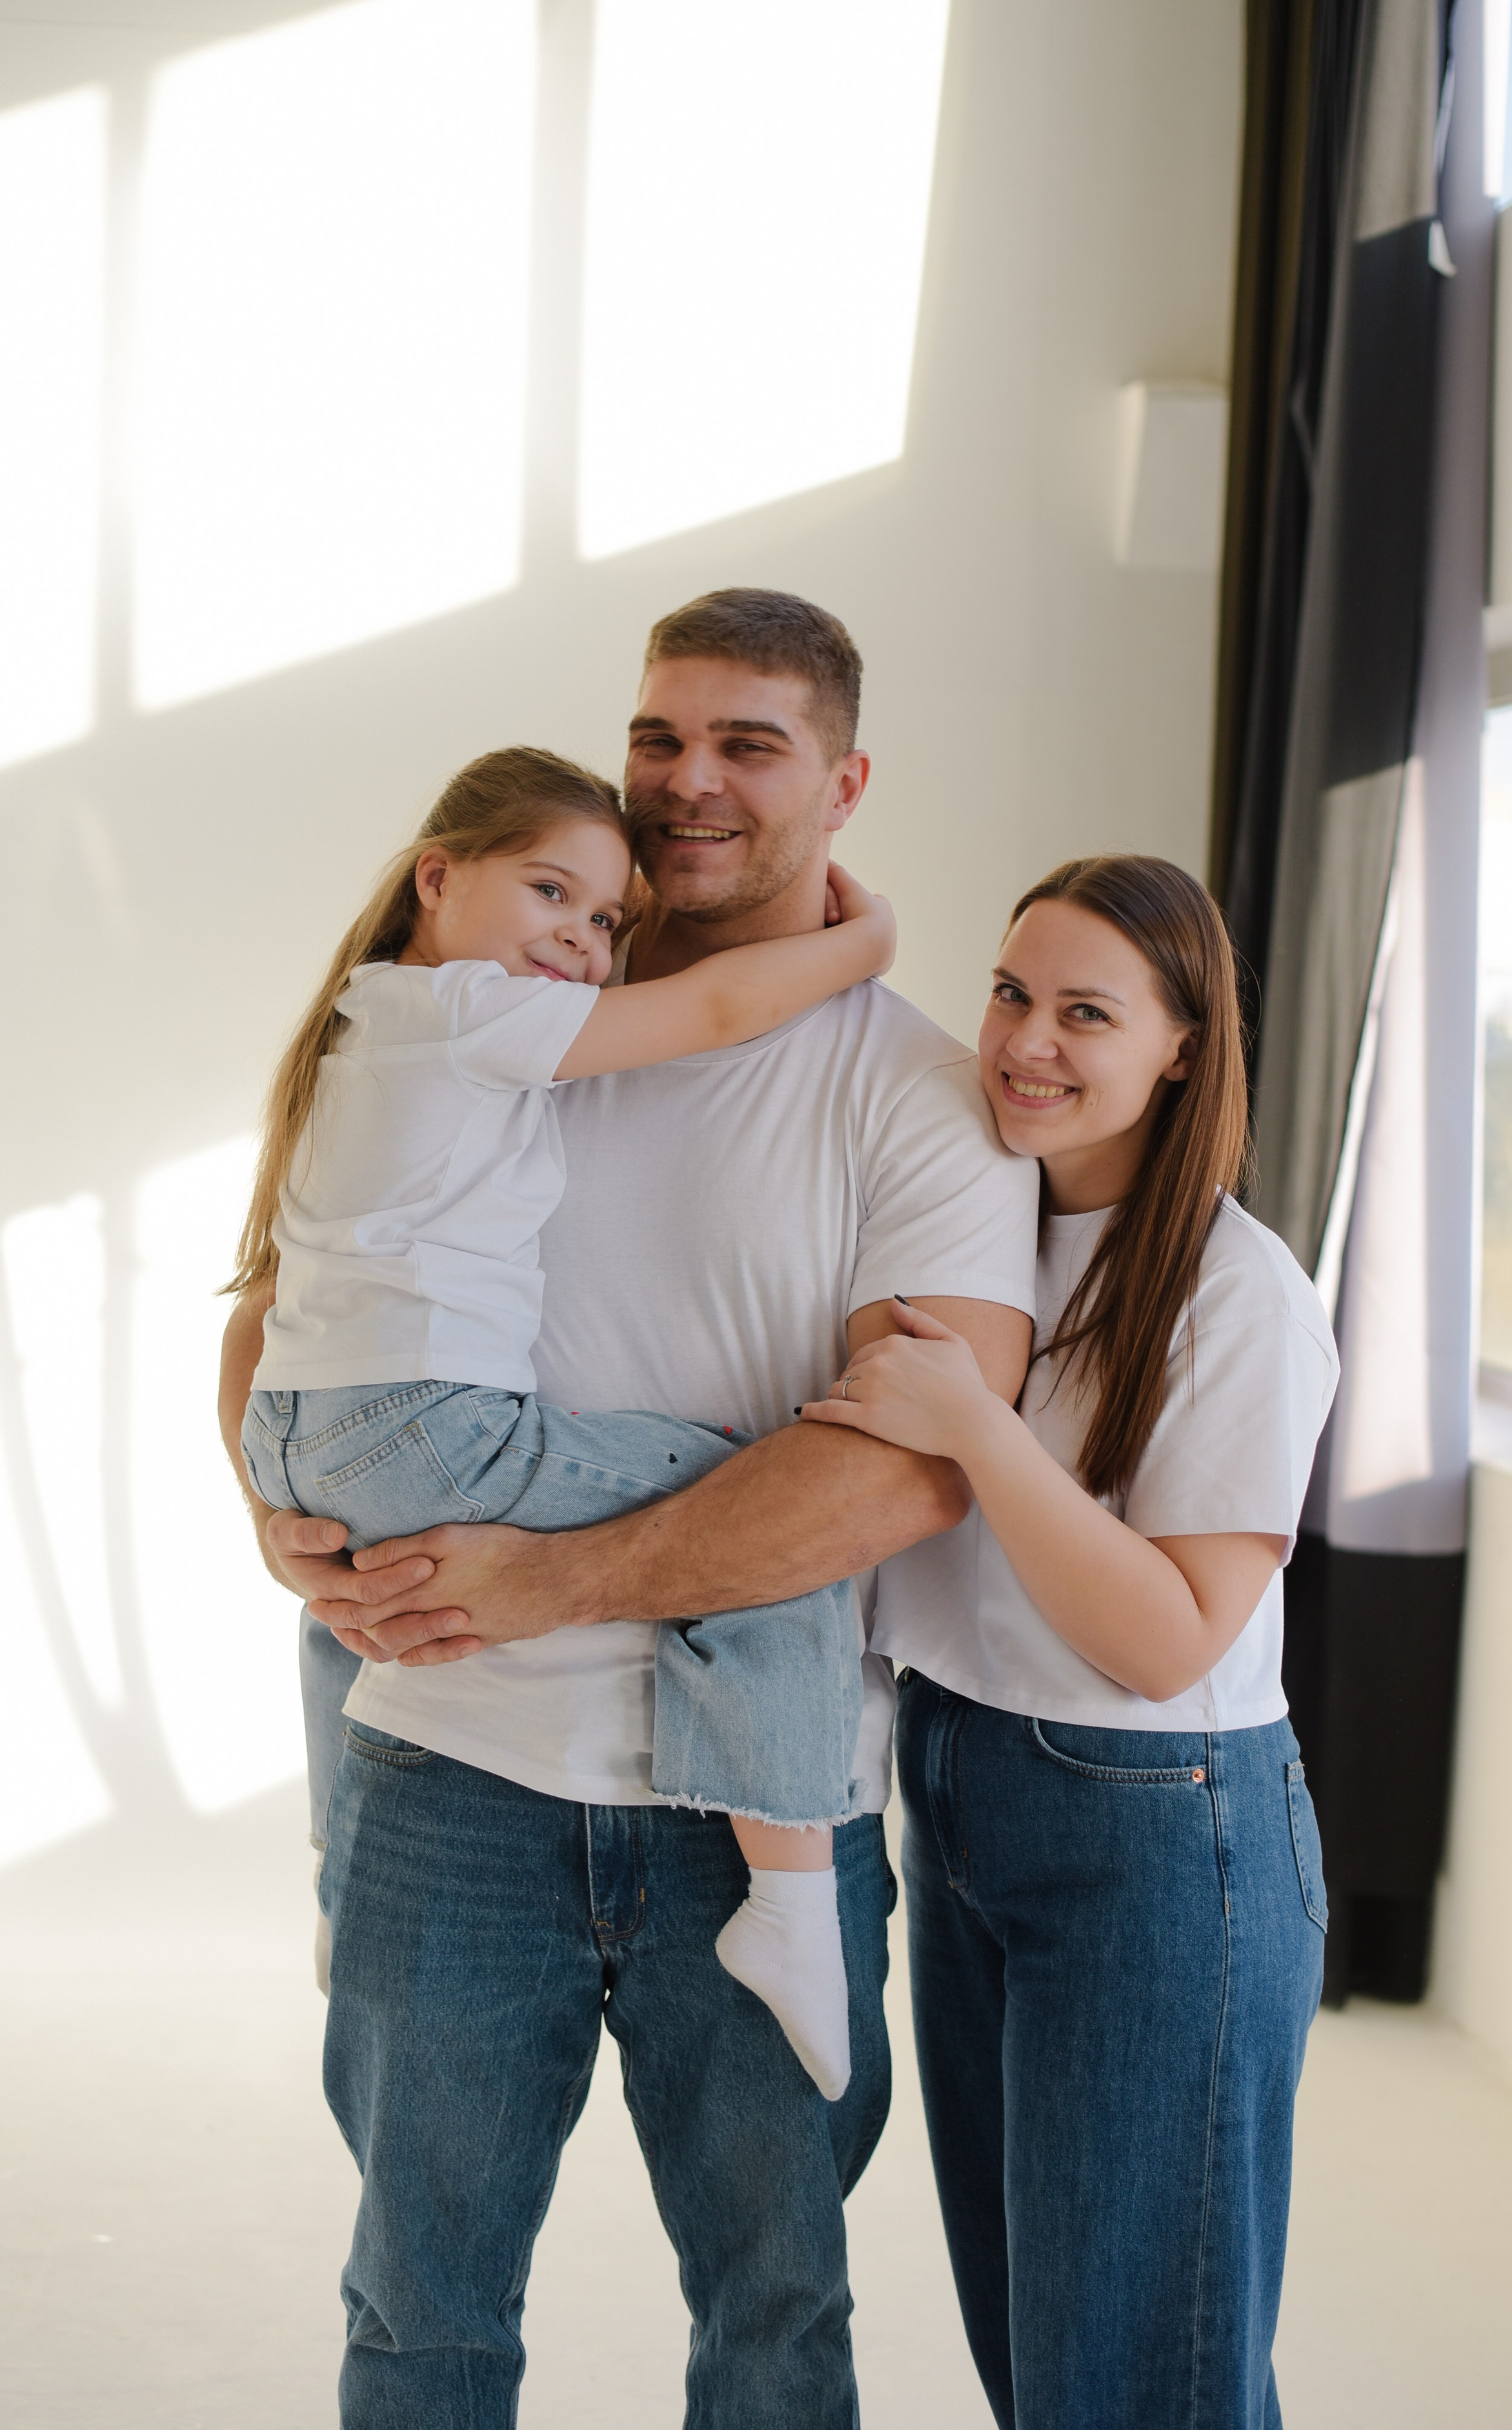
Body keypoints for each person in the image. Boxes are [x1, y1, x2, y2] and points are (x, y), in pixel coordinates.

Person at [217, 589, 1037, 2429]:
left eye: (750, 743)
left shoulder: (919, 1098)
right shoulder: (522, 1000)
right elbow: (284, 1289)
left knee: (775, 2326)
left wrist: (542, 1580)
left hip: (748, 1816)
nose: (688, 783)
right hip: (441, 1768)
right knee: (418, 2312)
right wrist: (278, 1511)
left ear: (845, 777)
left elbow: (908, 1463)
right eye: (660, 735)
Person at [230, 742, 898, 2100]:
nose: (581, 941)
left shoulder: (375, 1020)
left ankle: (334, 1864)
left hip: (301, 1430)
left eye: (603, 920)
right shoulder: (473, 1013)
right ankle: (789, 1891)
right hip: (422, 1426)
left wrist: (266, 1505)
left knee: (361, 1604)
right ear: (439, 880)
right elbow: (715, 1011)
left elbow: (265, 1302)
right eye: (550, 891)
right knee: (756, 1502)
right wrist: (867, 936)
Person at [819, 855, 1338, 2429]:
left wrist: (977, 1426)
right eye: (1008, 991)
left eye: (1086, 1014)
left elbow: (1171, 1637)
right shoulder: (980, 1229)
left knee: (1134, 2380)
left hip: (1153, 1828)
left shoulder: (1236, 1297)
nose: (1024, 1041)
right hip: (961, 1778)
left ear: (1180, 1048)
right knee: (1042, 2356)